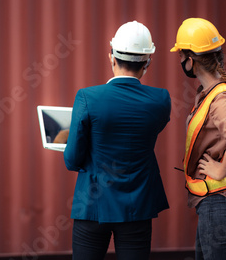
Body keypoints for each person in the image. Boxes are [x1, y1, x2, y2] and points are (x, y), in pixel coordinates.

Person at [64, 21, 171, 260]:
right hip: (138, 205)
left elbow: (72, 160)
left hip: (93, 205)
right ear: (148, 61)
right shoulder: (161, 100)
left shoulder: (87, 97)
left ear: (111, 56)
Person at [170, 18, 226, 260]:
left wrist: (218, 170)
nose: (180, 62)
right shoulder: (210, 94)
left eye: (181, 56)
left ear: (190, 60)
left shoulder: (220, 99)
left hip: (222, 204)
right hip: (215, 205)